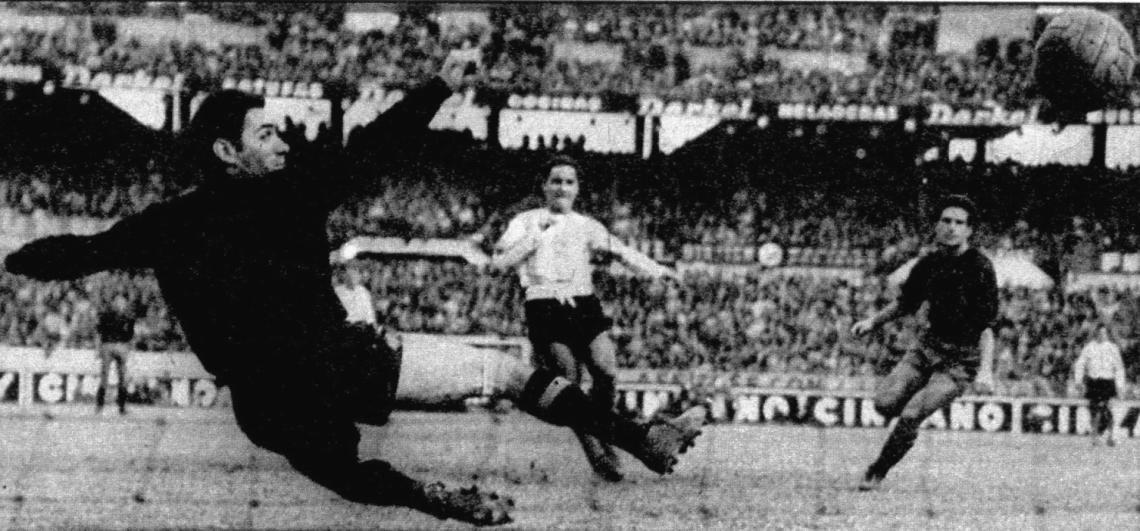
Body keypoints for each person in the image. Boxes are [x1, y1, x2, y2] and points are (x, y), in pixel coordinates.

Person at [4, 60, 705, 527]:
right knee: (508, 372)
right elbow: (380, 144)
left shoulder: (168, 223)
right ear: (227, 151)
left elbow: (76, 253)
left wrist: (8, 258)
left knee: (348, 474)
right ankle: (640, 436)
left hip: (265, 402)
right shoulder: (294, 192)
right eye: (268, 131)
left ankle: (433, 499)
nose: (284, 140)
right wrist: (438, 86)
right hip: (341, 358)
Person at [491, 157, 678, 482]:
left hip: (583, 302)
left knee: (606, 371)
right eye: (556, 181)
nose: (562, 187)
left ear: (577, 189)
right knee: (569, 378)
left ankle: (607, 435)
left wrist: (657, 270)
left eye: (569, 182)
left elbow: (621, 251)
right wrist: (533, 239)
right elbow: (499, 262)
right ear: (545, 186)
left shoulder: (587, 225)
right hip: (544, 302)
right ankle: (597, 455)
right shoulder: (526, 220)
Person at [851, 195, 998, 491]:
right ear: (936, 226)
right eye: (946, 221)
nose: (951, 227)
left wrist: (985, 371)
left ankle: (878, 470)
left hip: (960, 361)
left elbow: (987, 327)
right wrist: (872, 322)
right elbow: (905, 303)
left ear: (969, 230)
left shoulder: (980, 267)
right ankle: (908, 409)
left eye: (959, 222)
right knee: (883, 404)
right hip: (925, 348)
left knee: (911, 414)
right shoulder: (928, 264)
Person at [1072, 324, 1126, 446]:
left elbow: (1119, 368)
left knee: (1107, 409)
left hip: (1108, 381)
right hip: (1094, 381)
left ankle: (1111, 436)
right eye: (1100, 333)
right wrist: (1078, 381)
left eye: (1104, 333)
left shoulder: (1113, 348)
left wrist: (1120, 385)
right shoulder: (1089, 347)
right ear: (1096, 334)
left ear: (1107, 334)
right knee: (1095, 410)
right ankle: (1095, 436)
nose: (1102, 335)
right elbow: (1080, 364)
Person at [95, 293, 135, 414]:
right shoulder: (106, 315)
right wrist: (98, 348)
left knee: (122, 377)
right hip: (109, 344)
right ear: (113, 304)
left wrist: (130, 349)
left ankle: (121, 406)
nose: (120, 305)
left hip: (121, 345)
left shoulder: (129, 317)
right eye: (118, 302)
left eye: (122, 302)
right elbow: (99, 332)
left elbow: (131, 335)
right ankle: (100, 405)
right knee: (105, 376)